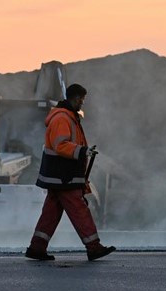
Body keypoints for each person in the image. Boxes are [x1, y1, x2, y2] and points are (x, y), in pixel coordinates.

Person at [25, 83, 115, 262]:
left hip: (59, 175)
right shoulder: (62, 119)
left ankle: (37, 247)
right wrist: (83, 152)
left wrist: (84, 151)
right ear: (75, 98)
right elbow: (61, 145)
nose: (83, 103)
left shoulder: (68, 117)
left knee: (51, 212)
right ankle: (93, 247)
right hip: (63, 176)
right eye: (82, 99)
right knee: (79, 209)